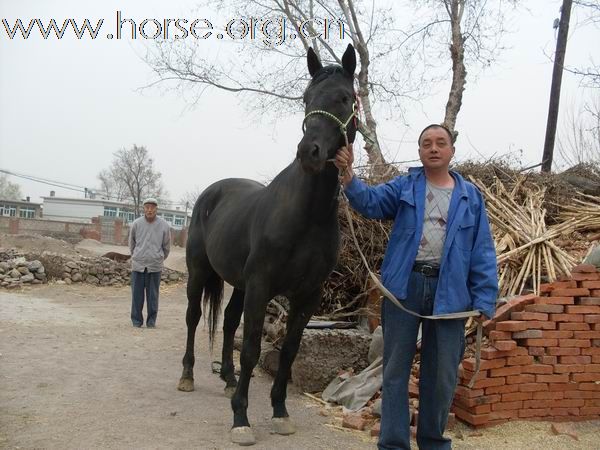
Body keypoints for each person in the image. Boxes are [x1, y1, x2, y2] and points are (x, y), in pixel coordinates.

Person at [334, 124, 498, 450]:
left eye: (441, 143)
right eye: (426, 143)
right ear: (420, 152)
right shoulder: (405, 186)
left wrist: (484, 299)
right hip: (404, 288)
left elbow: (482, 251)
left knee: (441, 377)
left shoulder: (470, 197)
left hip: (451, 293)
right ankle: (394, 444)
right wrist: (349, 174)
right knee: (395, 371)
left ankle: (433, 442)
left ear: (452, 150)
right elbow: (370, 202)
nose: (433, 148)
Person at [128, 197, 171, 328]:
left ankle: (151, 321)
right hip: (138, 265)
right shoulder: (136, 224)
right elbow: (132, 244)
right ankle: (136, 321)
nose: (149, 210)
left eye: (152, 207)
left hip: (154, 266)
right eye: (147, 207)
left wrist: (158, 258)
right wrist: (136, 256)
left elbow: (167, 247)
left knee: (153, 296)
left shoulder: (164, 225)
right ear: (144, 209)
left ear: (156, 209)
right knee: (137, 296)